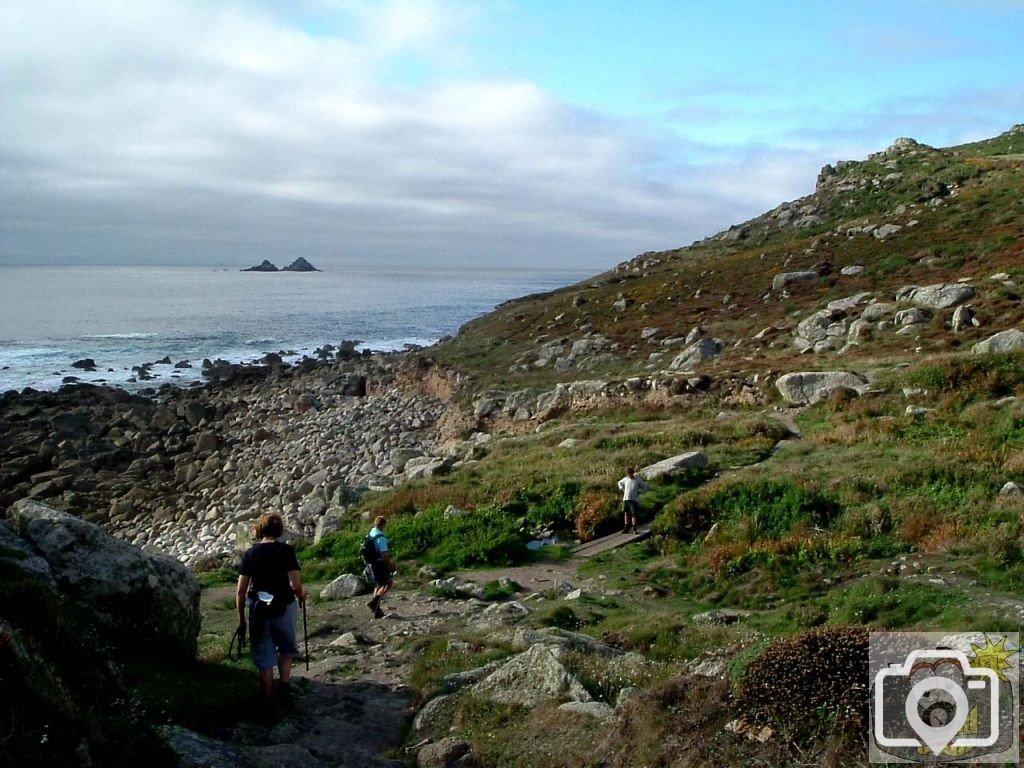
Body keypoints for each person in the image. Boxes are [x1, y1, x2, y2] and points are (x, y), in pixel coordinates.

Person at [236, 512, 307, 710]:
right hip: (284, 605)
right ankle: (284, 686)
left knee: (263, 652)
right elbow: (295, 583)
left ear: (260, 530)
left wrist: (241, 619)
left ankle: (267, 695)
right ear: (279, 530)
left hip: (259, 609)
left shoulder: (250, 554)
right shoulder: (287, 551)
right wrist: (301, 595)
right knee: (286, 647)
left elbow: (241, 590)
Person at [365, 515, 396, 618]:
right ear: (383, 525)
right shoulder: (380, 537)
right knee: (388, 583)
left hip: (371, 563)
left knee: (378, 585)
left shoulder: (371, 533)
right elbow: (384, 555)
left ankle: (377, 610)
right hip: (379, 563)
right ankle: (375, 603)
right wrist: (391, 565)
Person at [617, 467, 648, 534]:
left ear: (633, 473)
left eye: (630, 473)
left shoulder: (637, 480)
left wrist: (641, 491)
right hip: (626, 498)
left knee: (633, 514)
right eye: (628, 474)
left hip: (634, 499)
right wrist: (622, 488)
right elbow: (619, 482)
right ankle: (626, 527)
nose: (629, 475)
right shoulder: (625, 479)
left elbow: (645, 486)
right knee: (626, 513)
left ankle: (634, 528)